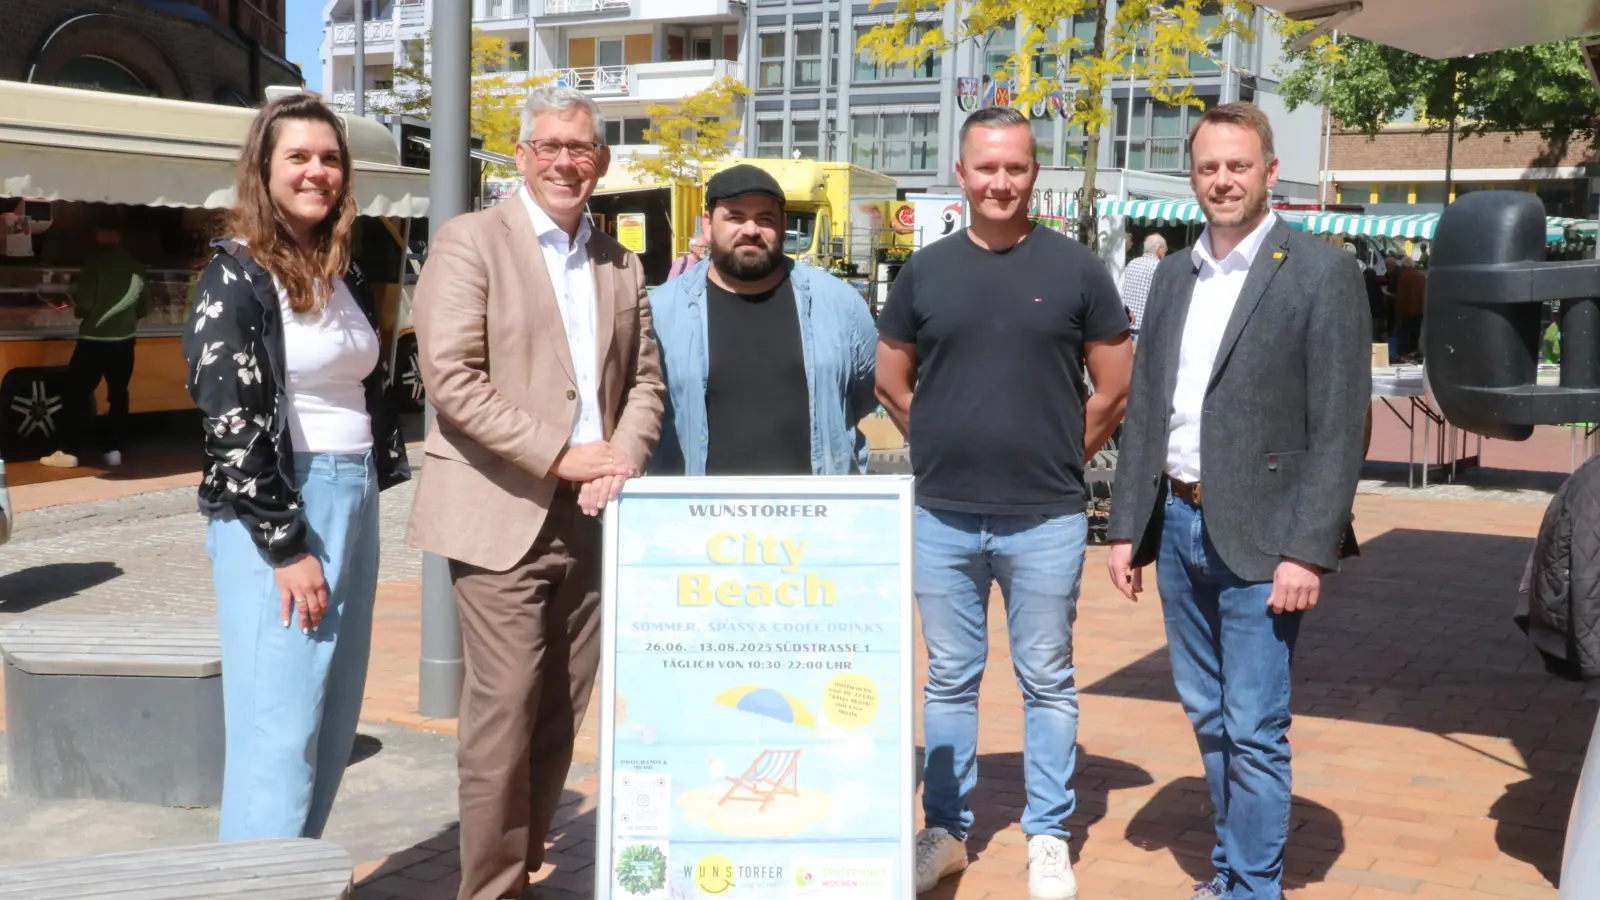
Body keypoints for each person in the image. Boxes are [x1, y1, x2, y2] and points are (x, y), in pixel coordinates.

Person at [1105, 102, 1370, 900]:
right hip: (1180, 523)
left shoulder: (1321, 271)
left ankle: (1252, 887)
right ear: (1193, 177)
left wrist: (1307, 548)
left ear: (1268, 171)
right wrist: (1126, 529)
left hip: (1265, 541)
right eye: (1209, 167)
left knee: (1254, 726)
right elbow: (1148, 406)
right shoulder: (1178, 275)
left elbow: (1339, 423)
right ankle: (1231, 871)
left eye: (1238, 166)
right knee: (1210, 717)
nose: (1223, 180)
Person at [405, 85, 664, 900]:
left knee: (563, 704)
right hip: (498, 511)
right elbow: (449, 377)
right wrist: (563, 456)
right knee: (504, 709)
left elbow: (648, 381)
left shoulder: (621, 262)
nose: (564, 161)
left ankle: (522, 867)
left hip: (592, 515)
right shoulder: (471, 242)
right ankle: (489, 889)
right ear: (521, 156)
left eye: (579, 148)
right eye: (548, 146)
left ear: (602, 161)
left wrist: (617, 459)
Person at [875, 106, 1134, 900]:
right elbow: (892, 379)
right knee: (948, 680)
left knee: (1047, 679)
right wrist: (949, 438)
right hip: (942, 514)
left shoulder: (1079, 269)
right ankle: (946, 832)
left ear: (1034, 173)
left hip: (1046, 516)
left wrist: (1057, 454)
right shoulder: (924, 272)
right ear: (961, 174)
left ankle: (1048, 832)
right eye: (985, 168)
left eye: (1015, 168)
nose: (1000, 181)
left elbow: (1114, 387)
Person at [182, 92, 411, 841]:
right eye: (299, 157)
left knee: (331, 720)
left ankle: (296, 876)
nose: (319, 172)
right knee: (279, 731)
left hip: (352, 494)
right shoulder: (236, 276)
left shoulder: (337, 270)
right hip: (282, 508)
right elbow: (229, 421)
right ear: (264, 168)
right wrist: (285, 543)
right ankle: (254, 884)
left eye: (331, 158)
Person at [651, 164, 877, 476]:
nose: (751, 230)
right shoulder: (660, 313)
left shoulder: (841, 306)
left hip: (818, 515)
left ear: (783, 226)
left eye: (765, 219)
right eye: (735, 217)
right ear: (707, 225)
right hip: (699, 517)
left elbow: (867, 391)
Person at [40, 224, 151, 469]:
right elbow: (144, 308)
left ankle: (69, 451)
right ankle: (115, 450)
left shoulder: (94, 264)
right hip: (124, 342)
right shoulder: (135, 266)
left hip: (94, 342)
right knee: (119, 395)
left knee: (76, 395)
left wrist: (79, 310)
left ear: (100, 234)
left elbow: (85, 303)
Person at [1118, 233, 1166, 337]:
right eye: (1165, 249)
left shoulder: (1132, 263)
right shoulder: (1159, 267)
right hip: (1145, 330)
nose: (1165, 253)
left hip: (1127, 326)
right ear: (1159, 249)